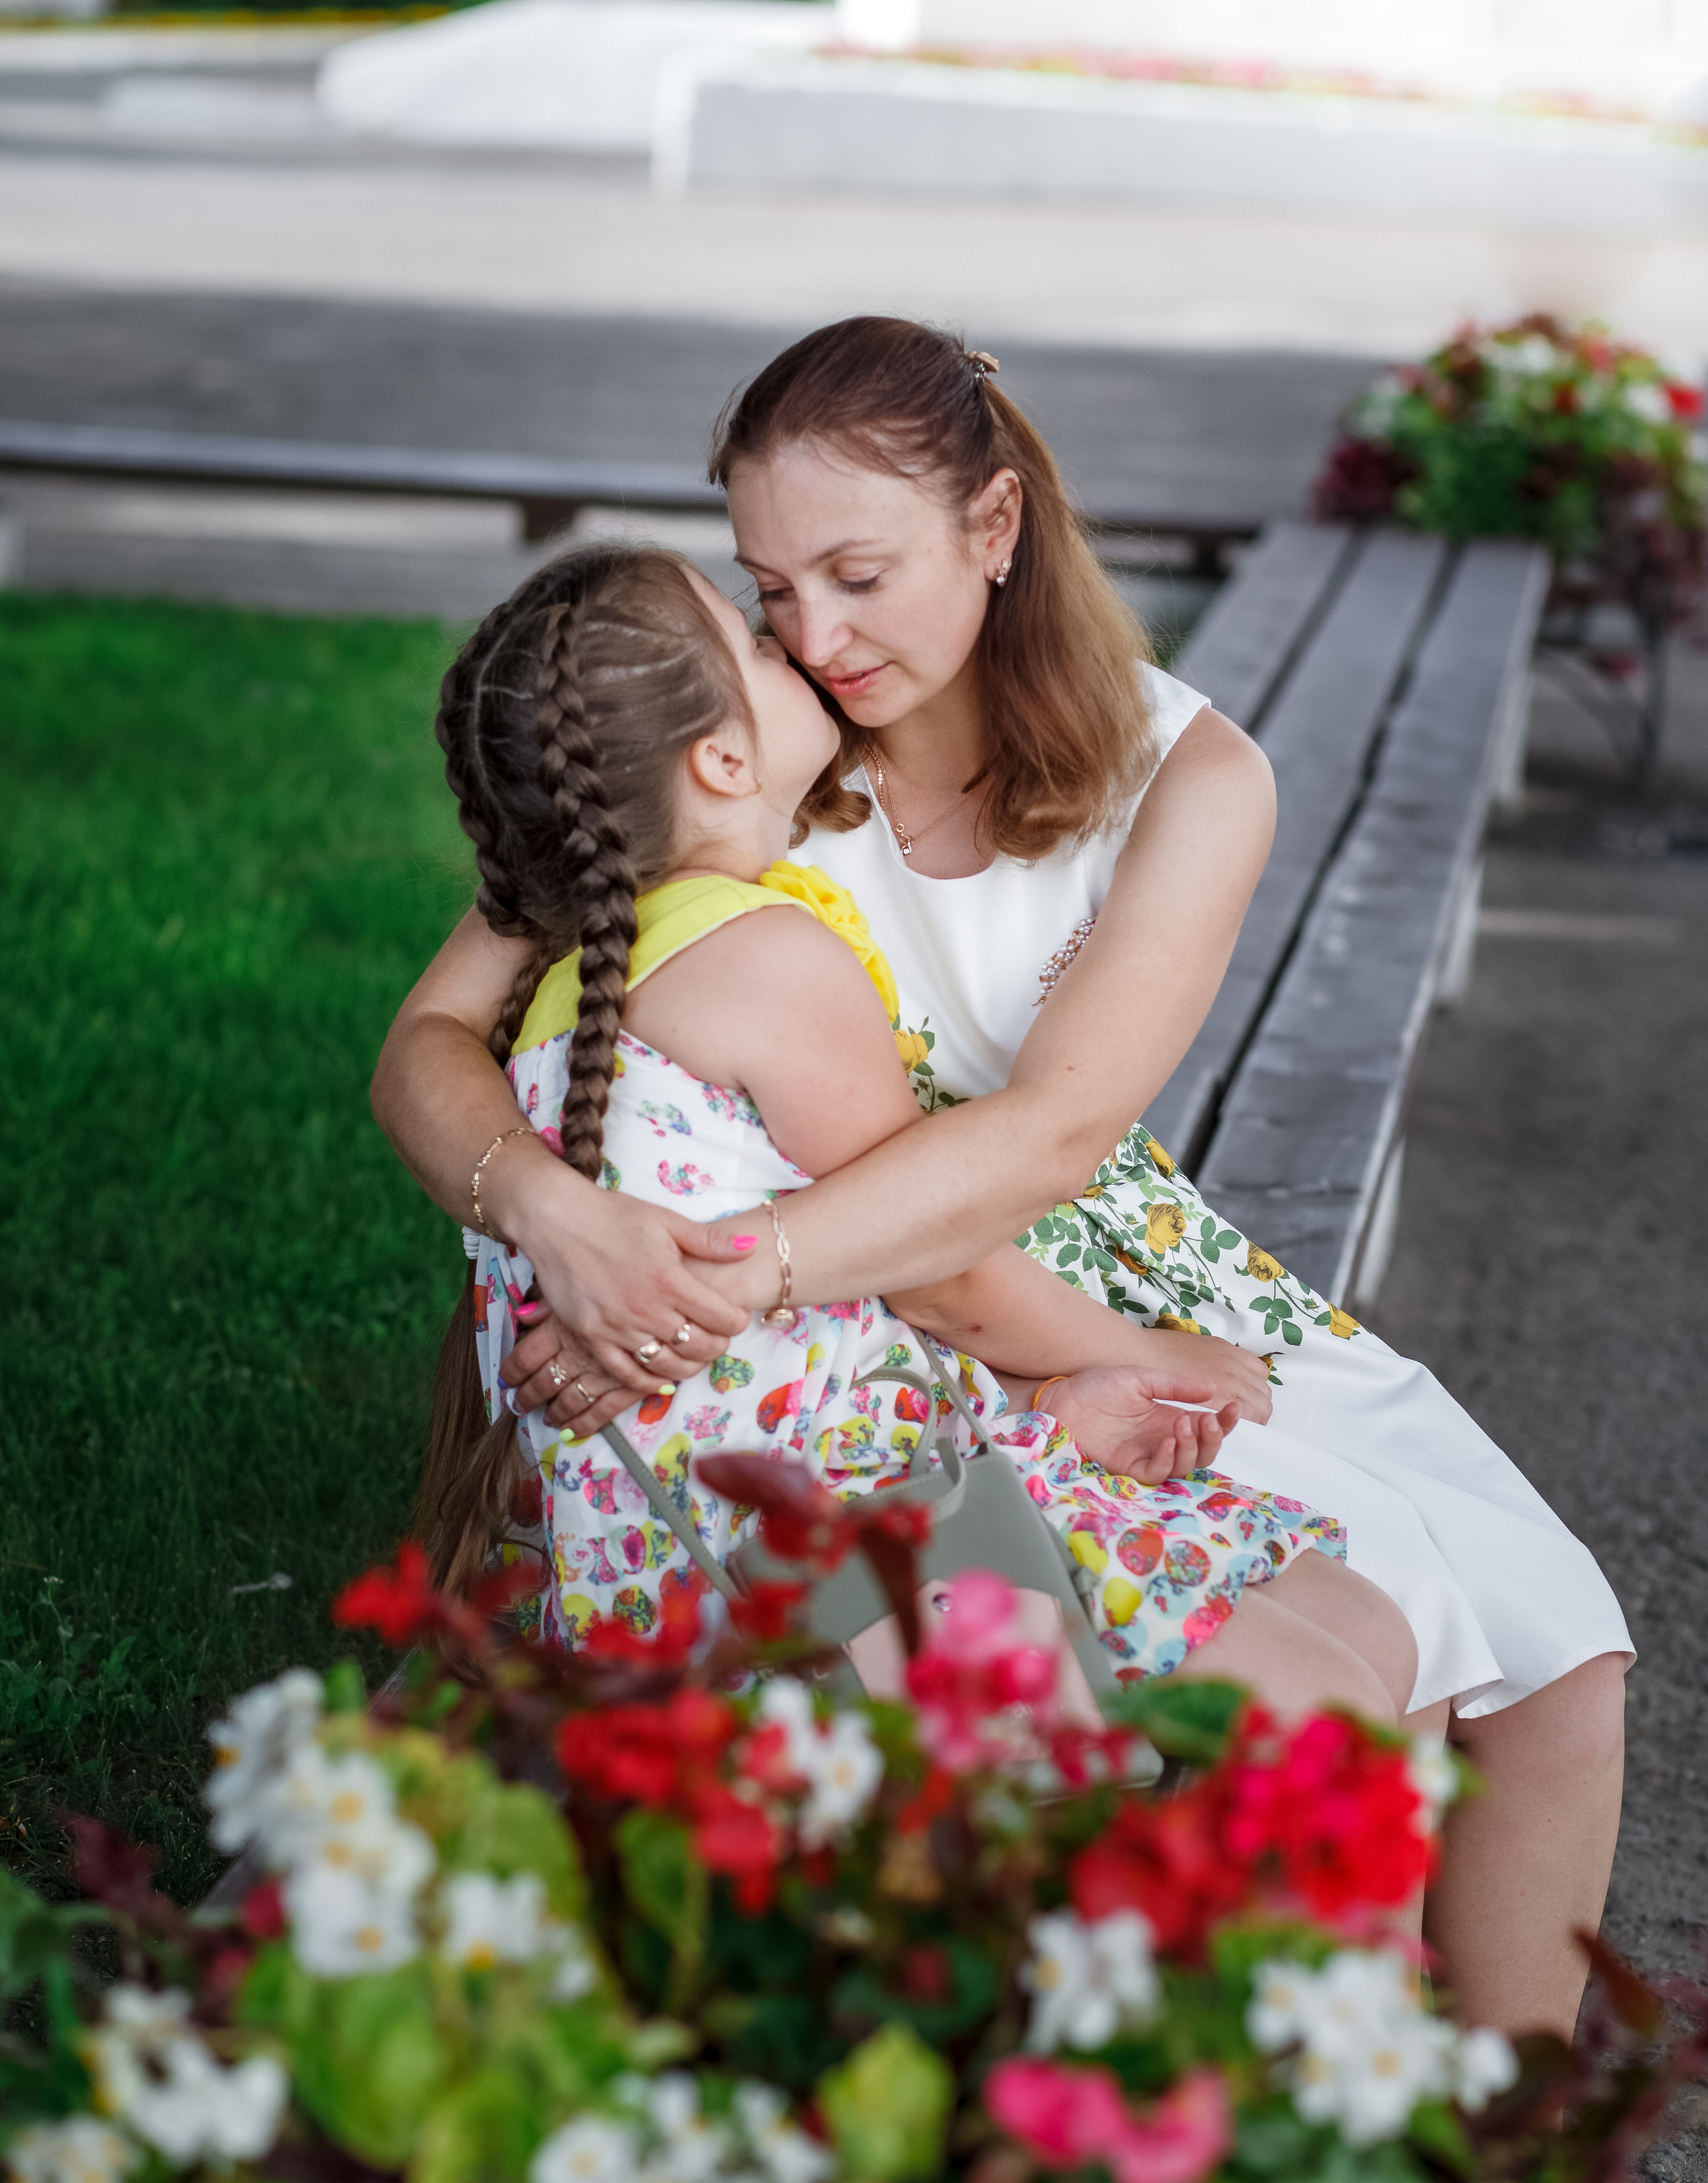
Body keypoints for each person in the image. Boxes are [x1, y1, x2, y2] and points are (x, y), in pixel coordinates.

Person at [373, 319, 1630, 2038]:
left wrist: (721, 1273)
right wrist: (557, 1215)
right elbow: (427, 1041)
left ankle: (1521, 2135)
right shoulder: (725, 742)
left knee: (1560, 1643)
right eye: (769, 587)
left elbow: (1045, 1144)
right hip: (873, 1324)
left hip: (1063, 1255)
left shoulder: (1184, 774)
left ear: (993, 524)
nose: (814, 637)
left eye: (856, 576)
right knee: (1385, 1595)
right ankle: (1338, 2082)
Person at [421, 537, 1412, 1735]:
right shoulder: (765, 964)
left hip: (745, 1508)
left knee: (1369, 1636)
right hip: (813, 1560)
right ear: (724, 761)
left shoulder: (583, 977)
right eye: (751, 639)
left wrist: (1051, 1398)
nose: (785, 641)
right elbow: (939, 1274)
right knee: (1351, 1696)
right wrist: (1154, 1351)